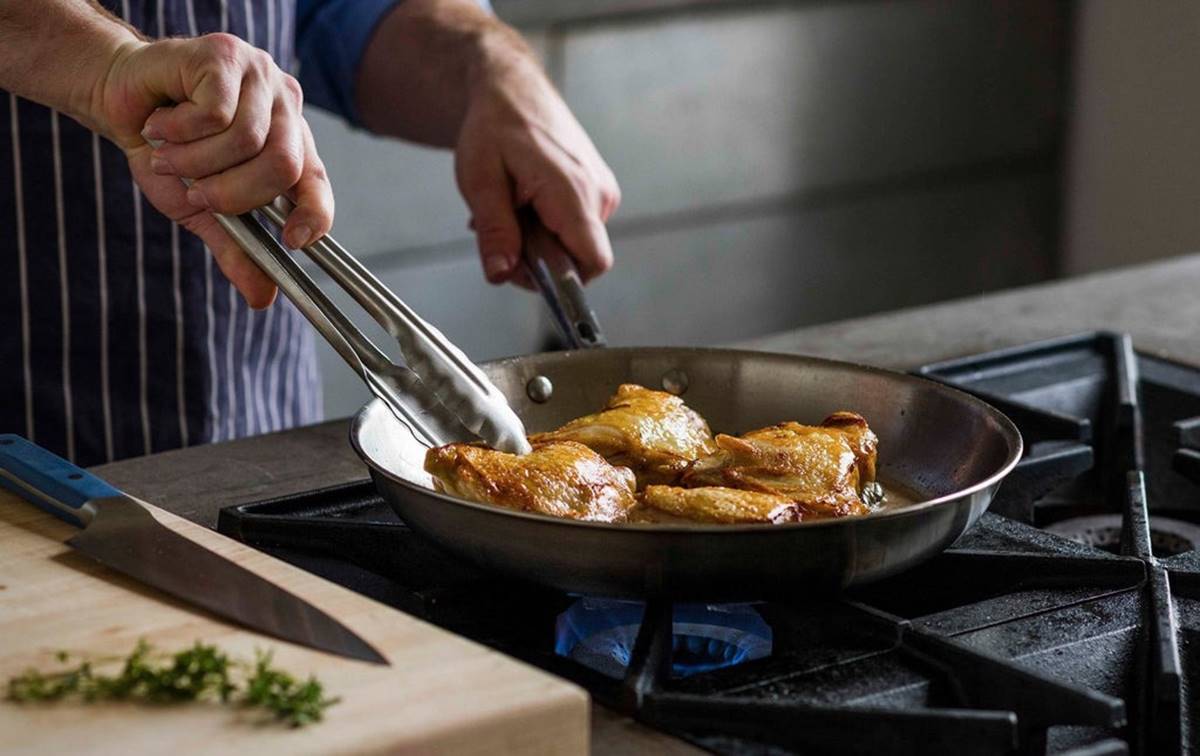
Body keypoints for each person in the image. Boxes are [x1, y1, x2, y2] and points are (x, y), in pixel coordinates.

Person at [0, 0, 620, 466]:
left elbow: (348, 14)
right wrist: (107, 67)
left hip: (257, 428)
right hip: (25, 427)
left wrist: (491, 70)